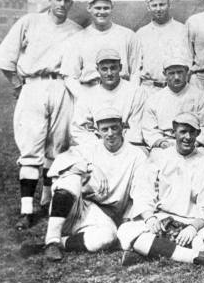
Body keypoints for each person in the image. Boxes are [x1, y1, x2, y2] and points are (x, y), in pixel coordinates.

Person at [0, 0, 82, 229]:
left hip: (61, 86)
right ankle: (27, 209)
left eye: (67, 0)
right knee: (31, 146)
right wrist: (16, 85)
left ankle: (46, 201)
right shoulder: (29, 21)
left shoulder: (75, 30)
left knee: (57, 147)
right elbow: (6, 56)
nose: (62, 5)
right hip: (33, 85)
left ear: (71, 2)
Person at [38, 108, 147, 261]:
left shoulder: (136, 155)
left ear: (123, 127)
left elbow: (141, 191)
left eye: (114, 128)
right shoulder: (89, 148)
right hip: (76, 207)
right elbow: (57, 165)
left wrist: (130, 218)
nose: (110, 133)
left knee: (107, 238)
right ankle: (51, 239)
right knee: (71, 177)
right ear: (97, 131)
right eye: (105, 129)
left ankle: (61, 243)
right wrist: (89, 167)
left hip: (102, 216)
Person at [117, 112, 204, 267]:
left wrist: (193, 227)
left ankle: (151, 252)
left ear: (198, 134)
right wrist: (150, 218)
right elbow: (143, 190)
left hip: (190, 221)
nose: (187, 137)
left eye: (192, 132)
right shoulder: (160, 158)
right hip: (162, 218)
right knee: (125, 230)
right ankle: (195, 257)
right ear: (173, 132)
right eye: (183, 131)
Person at [60, 0, 139, 101]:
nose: (102, 12)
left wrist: (130, 95)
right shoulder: (77, 39)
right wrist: (85, 99)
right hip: (89, 92)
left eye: (106, 8)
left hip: (121, 94)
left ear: (112, 8)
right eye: (98, 8)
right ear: (89, 8)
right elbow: (70, 76)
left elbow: (136, 71)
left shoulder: (128, 36)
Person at [70, 49, 146, 146]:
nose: (109, 73)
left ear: (120, 68)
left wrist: (117, 147)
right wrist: (100, 147)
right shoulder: (88, 95)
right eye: (104, 69)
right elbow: (78, 129)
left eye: (113, 68)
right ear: (98, 70)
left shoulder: (136, 92)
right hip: (96, 147)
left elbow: (136, 128)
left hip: (127, 146)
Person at [141, 55, 204, 153]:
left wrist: (195, 142)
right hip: (166, 144)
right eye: (171, 73)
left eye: (180, 72)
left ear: (187, 72)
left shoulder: (200, 97)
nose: (177, 77)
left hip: (192, 143)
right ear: (164, 74)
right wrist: (161, 142)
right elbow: (149, 129)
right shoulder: (154, 99)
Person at [134, 0, 191, 97]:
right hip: (149, 90)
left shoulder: (182, 30)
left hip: (176, 90)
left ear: (169, 5)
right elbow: (136, 67)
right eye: (154, 5)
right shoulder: (141, 33)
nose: (158, 9)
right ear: (148, 7)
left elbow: (189, 62)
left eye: (162, 4)